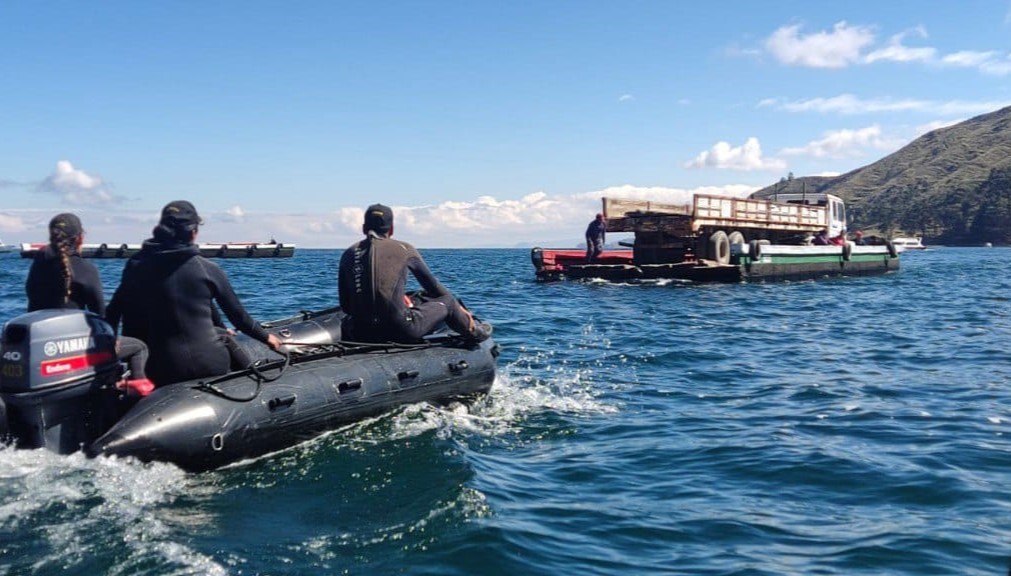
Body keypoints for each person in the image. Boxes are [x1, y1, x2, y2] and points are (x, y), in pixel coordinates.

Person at [106, 201, 282, 387]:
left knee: (217, 332)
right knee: (222, 336)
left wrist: (111, 348)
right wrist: (267, 338)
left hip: (161, 370)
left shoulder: (136, 266)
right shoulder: (207, 268)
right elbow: (239, 317)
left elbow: (114, 311)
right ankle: (256, 382)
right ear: (193, 232)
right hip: (211, 363)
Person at [25, 213, 154, 396]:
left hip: (41, 348)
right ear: (79, 238)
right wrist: (113, 339)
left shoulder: (38, 265)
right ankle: (138, 397)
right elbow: (101, 315)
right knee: (138, 347)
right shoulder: (85, 269)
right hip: (71, 348)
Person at [338, 203, 491, 344]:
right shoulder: (404, 249)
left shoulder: (348, 253)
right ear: (391, 229)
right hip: (402, 329)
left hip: (360, 332)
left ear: (364, 228)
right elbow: (434, 289)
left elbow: (346, 306)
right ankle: (474, 332)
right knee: (448, 301)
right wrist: (459, 309)